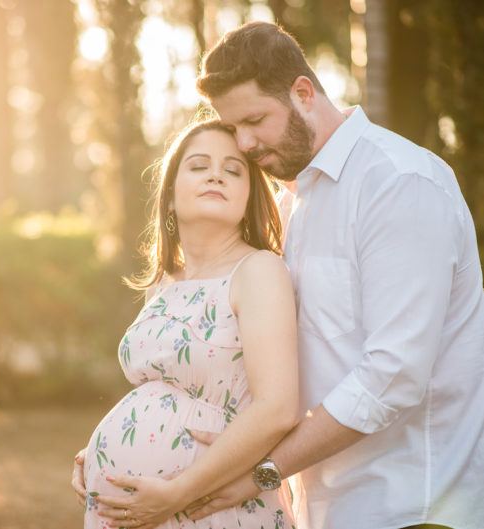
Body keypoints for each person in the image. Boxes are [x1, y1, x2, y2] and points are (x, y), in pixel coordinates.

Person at [74, 20, 484, 529]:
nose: (242, 143)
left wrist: (257, 477)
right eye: (234, 126)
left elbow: (392, 377)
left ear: (304, 93)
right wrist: (120, 442)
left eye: (254, 120)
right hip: (322, 512)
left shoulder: (398, 183)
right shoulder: (293, 203)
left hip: (407, 508)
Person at [74, 118, 301, 529]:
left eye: (234, 170)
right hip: (136, 513)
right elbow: (159, 395)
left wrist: (177, 494)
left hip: (214, 508)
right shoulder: (162, 283)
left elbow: (276, 409)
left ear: (248, 195)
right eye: (199, 165)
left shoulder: (259, 272)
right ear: (172, 197)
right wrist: (98, 452)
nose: (217, 174)